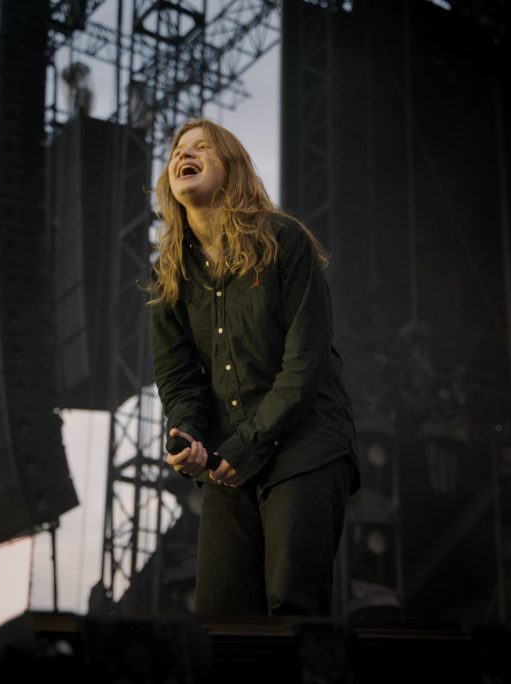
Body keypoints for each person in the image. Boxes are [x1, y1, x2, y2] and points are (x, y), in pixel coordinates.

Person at [149, 118, 360, 616]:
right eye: (179, 150)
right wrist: (190, 436)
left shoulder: (282, 239)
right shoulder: (171, 273)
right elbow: (178, 378)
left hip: (304, 448)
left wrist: (246, 444)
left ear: (233, 167)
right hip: (229, 462)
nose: (185, 154)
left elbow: (305, 362)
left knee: (293, 605)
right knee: (219, 616)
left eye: (201, 147)